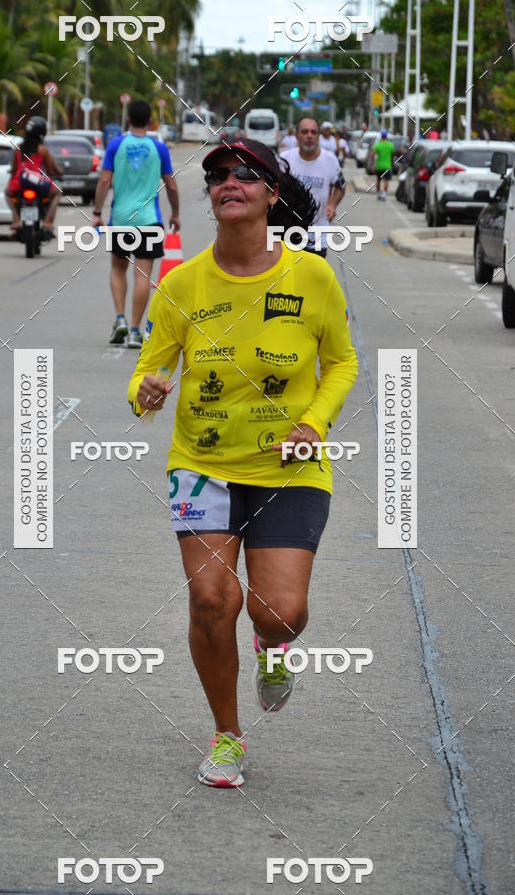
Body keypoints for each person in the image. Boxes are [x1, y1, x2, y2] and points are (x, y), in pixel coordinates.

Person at [127, 138, 358, 788]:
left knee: (279, 609)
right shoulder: (181, 284)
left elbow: (341, 361)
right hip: (201, 466)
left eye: (247, 174)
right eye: (219, 174)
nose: (231, 181)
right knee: (210, 599)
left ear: (271, 193)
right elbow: (149, 368)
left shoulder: (311, 276)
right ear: (212, 195)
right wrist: (142, 392)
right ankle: (227, 736)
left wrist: (315, 422)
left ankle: (273, 646)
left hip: (290, 468)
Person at [92, 99, 180, 348]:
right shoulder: (159, 149)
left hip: (120, 219)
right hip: (149, 221)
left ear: (128, 120)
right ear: (151, 122)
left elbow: (103, 181)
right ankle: (134, 331)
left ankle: (119, 319)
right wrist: (175, 213)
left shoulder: (115, 145)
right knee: (143, 274)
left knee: (118, 269)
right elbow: (171, 185)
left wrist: (97, 212)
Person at [280, 116, 346, 258]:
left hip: (317, 236)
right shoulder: (284, 159)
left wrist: (333, 205)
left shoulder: (330, 160)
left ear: (318, 136)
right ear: (297, 135)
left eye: (313, 132)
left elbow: (341, 185)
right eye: (304, 132)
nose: (309, 136)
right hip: (287, 235)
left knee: (314, 279)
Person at [6, 116, 62, 238]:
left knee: (7, 193)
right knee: (57, 193)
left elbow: (14, 169)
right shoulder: (43, 150)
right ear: (41, 134)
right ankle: (47, 222)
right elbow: (49, 171)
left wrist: (11, 173)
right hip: (37, 181)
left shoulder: (18, 148)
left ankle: (16, 219)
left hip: (20, 182)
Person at [372, 128, 395, 200]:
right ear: (386, 136)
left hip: (379, 166)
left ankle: (379, 193)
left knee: (378, 180)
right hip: (387, 166)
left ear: (381, 136)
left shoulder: (377, 145)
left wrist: (373, 164)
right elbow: (392, 155)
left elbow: (373, 155)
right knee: (386, 180)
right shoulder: (390, 145)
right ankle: (384, 194)